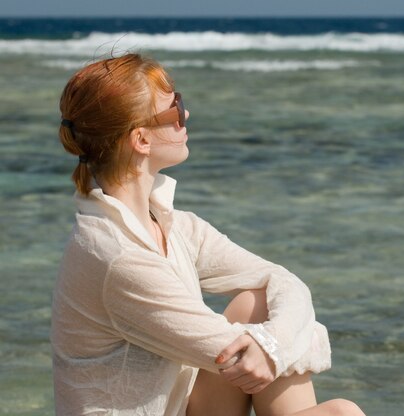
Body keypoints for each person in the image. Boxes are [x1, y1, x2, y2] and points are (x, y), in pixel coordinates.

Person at [51, 53, 365, 416]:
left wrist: (276, 344)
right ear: (141, 140)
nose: (186, 116)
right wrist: (284, 342)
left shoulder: (173, 225)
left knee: (258, 304)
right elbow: (242, 355)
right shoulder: (118, 257)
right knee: (341, 412)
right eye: (175, 109)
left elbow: (282, 280)